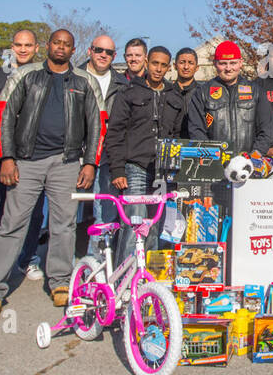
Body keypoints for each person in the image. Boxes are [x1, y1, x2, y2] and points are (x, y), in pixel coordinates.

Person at [0, 30, 98, 320]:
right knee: (12, 223)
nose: (61, 47)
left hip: (67, 162)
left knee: (64, 225)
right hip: (26, 160)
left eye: (67, 44)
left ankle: (59, 282)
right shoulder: (26, 76)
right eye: (57, 42)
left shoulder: (85, 81)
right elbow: (4, 116)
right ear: (48, 46)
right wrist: (7, 157)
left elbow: (95, 125)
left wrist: (89, 162)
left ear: (73, 49)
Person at [104, 45, 187, 263]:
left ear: (169, 68)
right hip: (135, 167)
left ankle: (149, 279)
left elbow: (178, 135)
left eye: (163, 65)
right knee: (135, 223)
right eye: (154, 63)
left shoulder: (175, 97)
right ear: (147, 62)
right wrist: (117, 169)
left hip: (162, 171)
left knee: (157, 225)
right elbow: (115, 133)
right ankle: (125, 279)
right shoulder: (129, 93)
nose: (158, 69)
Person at [0, 29, 46, 283]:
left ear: (36, 48)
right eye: (18, 45)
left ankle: (27, 260)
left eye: (28, 45)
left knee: (34, 212)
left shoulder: (44, 76)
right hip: (0, 154)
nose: (23, 49)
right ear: (12, 47)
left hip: (34, 156)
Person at [79, 34, 128, 234]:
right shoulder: (72, 76)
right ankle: (65, 263)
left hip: (107, 154)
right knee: (66, 214)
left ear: (114, 55)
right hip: (73, 153)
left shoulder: (122, 84)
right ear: (90, 51)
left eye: (108, 52)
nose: (103, 55)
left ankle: (99, 260)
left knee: (104, 216)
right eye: (98, 50)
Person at [187, 40, 271, 154]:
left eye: (233, 63)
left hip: (247, 165)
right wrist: (211, 157)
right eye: (223, 63)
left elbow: (266, 131)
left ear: (240, 63)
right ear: (215, 63)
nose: (228, 68)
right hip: (215, 164)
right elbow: (196, 131)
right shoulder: (202, 93)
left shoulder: (256, 91)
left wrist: (254, 158)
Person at [171, 47, 200, 136]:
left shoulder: (202, 93)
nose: (186, 67)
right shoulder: (167, 92)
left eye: (190, 63)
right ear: (175, 66)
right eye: (182, 62)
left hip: (195, 144)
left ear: (197, 67)